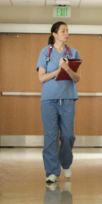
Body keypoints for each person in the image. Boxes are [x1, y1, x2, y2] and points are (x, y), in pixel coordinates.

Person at [36, 21, 81, 184]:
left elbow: (77, 78)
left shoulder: (73, 52)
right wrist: (59, 69)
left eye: (67, 30)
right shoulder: (45, 52)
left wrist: (68, 69)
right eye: (63, 31)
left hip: (68, 97)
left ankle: (66, 163)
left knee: (68, 135)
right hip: (49, 99)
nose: (66, 33)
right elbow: (41, 77)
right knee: (50, 136)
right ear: (54, 34)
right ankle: (52, 172)